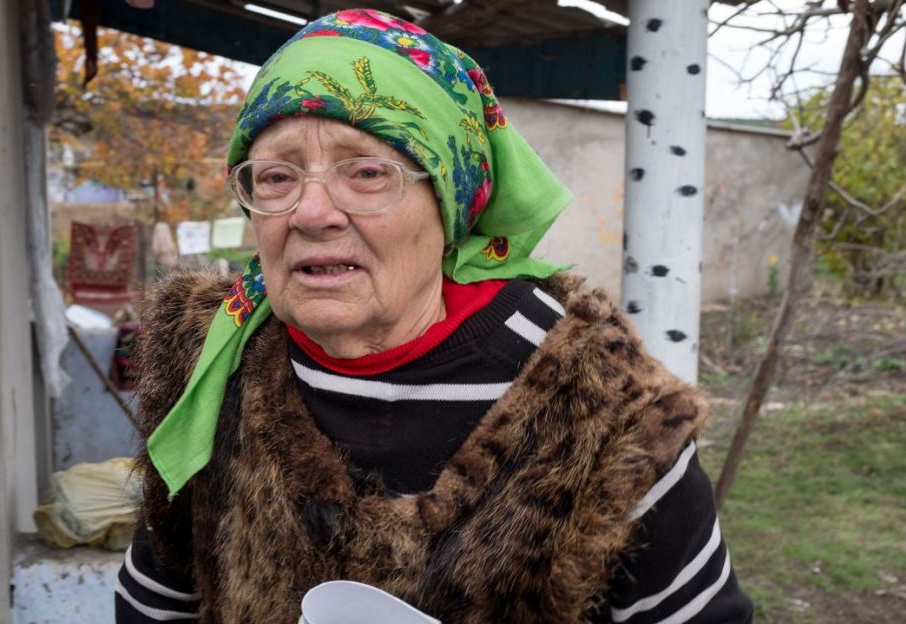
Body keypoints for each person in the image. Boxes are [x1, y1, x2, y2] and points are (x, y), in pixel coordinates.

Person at [115, 9, 752, 623]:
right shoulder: (212, 364)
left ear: (449, 201)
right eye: (277, 177)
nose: (310, 213)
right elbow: (155, 605)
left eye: (366, 172)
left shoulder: (602, 407)